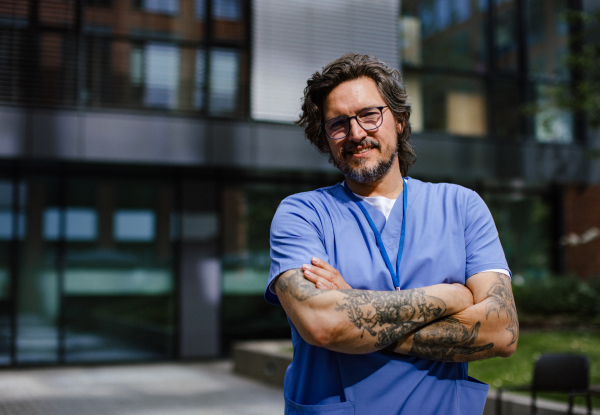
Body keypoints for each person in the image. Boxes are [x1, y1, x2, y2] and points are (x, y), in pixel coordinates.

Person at [265, 53, 518, 415]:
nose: (355, 133)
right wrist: (451, 296)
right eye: (337, 123)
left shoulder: (461, 206)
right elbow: (323, 324)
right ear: (325, 138)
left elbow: (502, 332)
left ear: (399, 120)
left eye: (369, 114)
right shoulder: (302, 214)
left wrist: (354, 307)